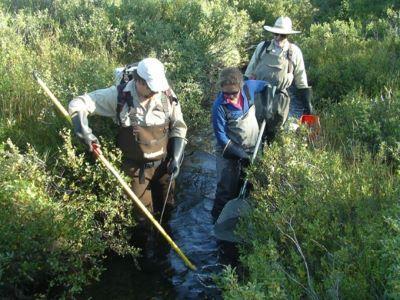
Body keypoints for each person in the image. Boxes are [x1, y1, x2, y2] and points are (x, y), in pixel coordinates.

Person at [68, 57, 187, 257]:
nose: (155, 92)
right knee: (142, 218)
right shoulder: (118, 96)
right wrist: (83, 130)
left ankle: (164, 248)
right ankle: (143, 256)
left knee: (167, 208)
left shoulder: (166, 95)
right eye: (151, 88)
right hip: (136, 170)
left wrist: (177, 157)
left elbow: (178, 126)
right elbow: (79, 103)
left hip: (165, 167)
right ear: (138, 81)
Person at [211, 67, 266, 223]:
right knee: (226, 191)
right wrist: (240, 154)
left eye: (233, 93)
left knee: (251, 185)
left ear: (241, 86)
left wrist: (268, 105)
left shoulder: (249, 88)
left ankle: (243, 218)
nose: (229, 97)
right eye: (225, 93)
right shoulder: (219, 106)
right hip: (228, 152)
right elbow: (221, 136)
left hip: (253, 148)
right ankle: (217, 222)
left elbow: (267, 86)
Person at [245, 16, 313, 133]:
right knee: (256, 132)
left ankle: (271, 150)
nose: (278, 38)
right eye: (276, 34)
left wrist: (308, 107)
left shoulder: (294, 52)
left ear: (288, 35)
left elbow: (301, 82)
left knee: (275, 132)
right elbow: (249, 73)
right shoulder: (262, 47)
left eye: (283, 35)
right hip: (259, 97)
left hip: (279, 100)